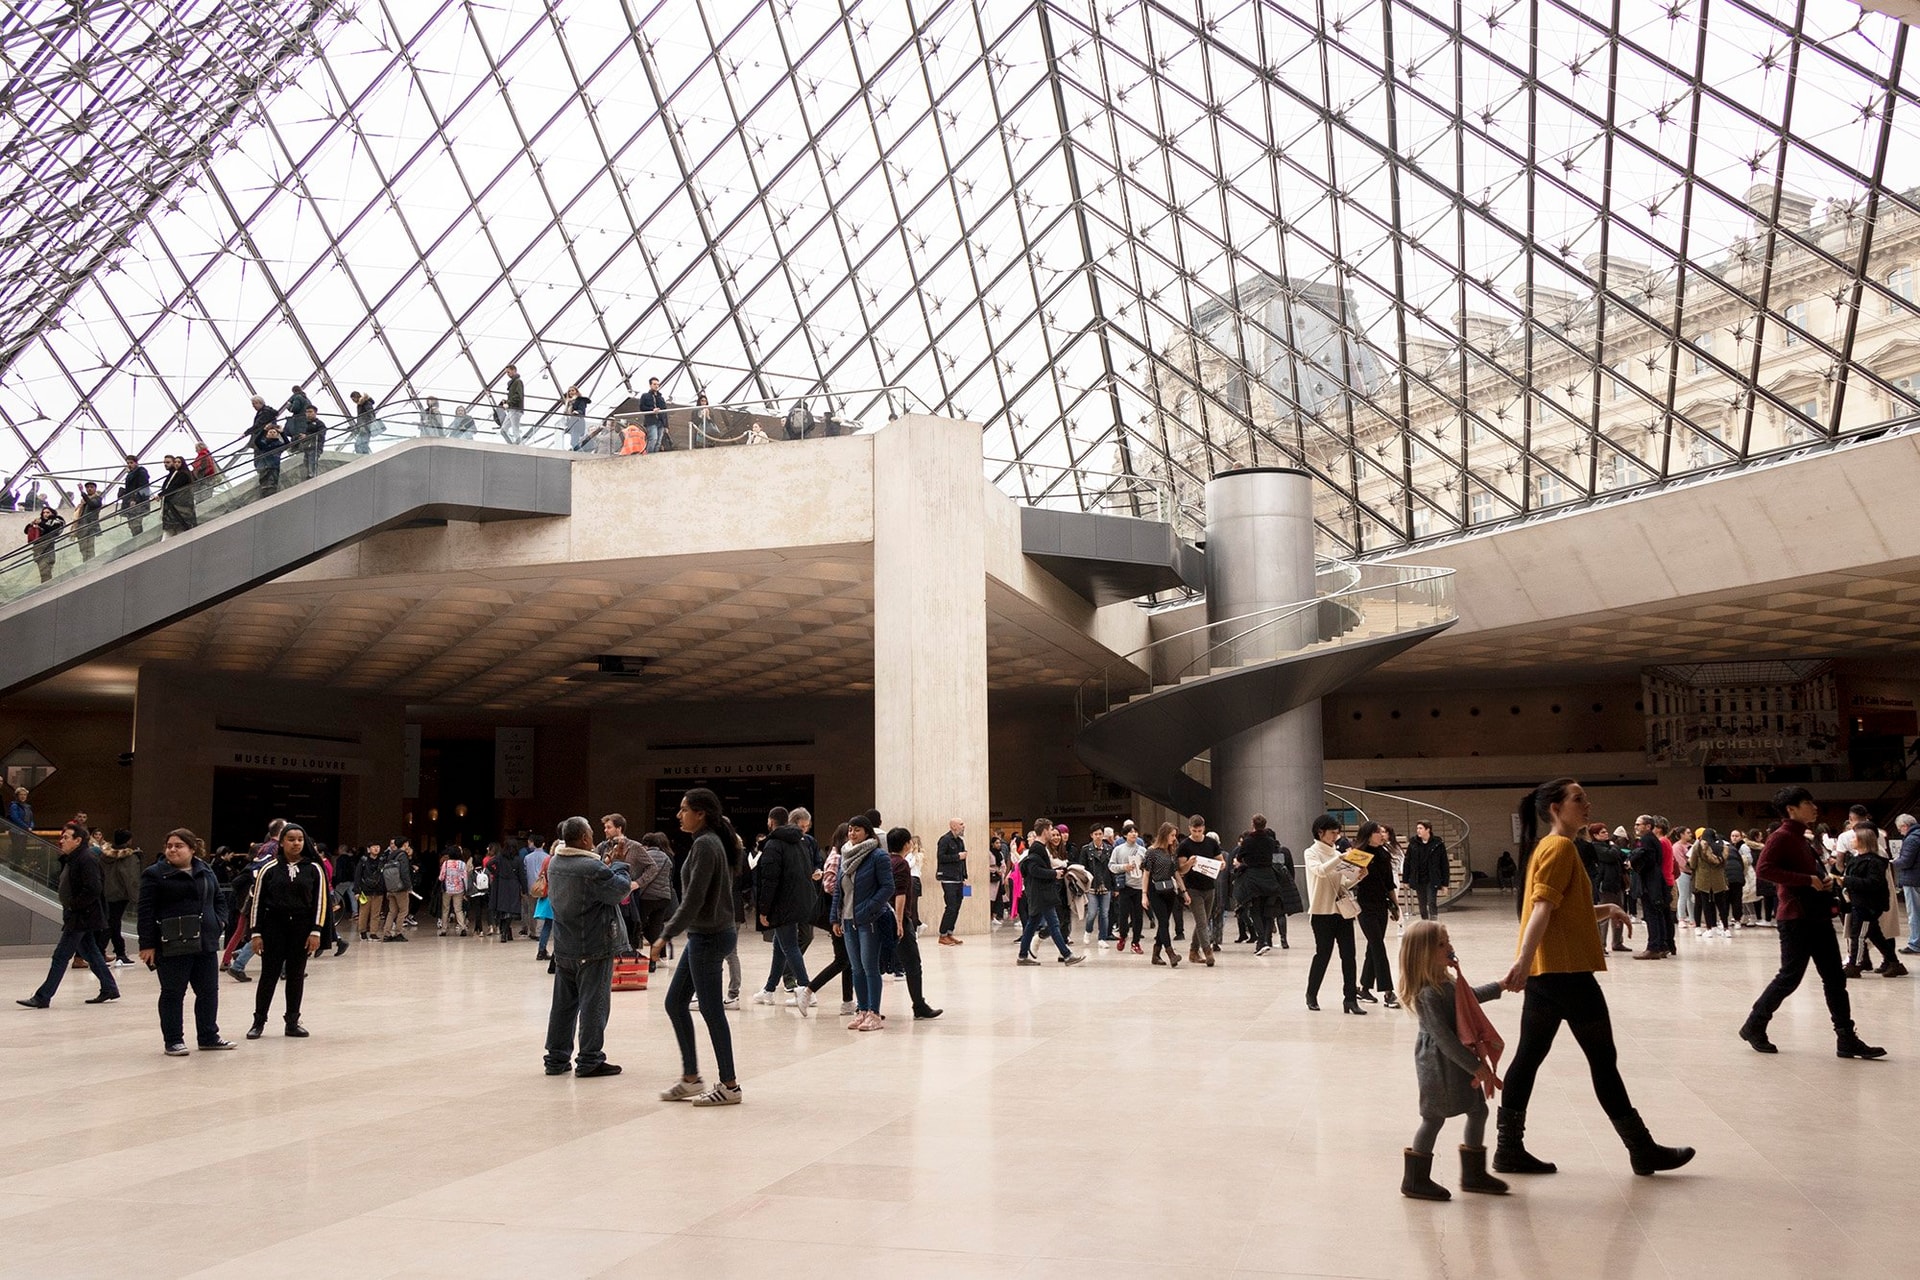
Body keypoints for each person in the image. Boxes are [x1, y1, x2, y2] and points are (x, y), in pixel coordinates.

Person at [1496, 778, 1693, 1177]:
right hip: (1566, 974)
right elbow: (1542, 908)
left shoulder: (1546, 847)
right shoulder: (1561, 846)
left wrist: (1606, 910)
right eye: (1578, 799)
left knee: (1529, 1058)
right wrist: (1522, 959)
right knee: (1603, 1061)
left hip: (1549, 974)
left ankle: (1508, 1149)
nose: (1587, 804)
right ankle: (1642, 1149)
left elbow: (1564, 908)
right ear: (1555, 807)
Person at [1739, 788, 1887, 1061]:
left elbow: (1807, 871)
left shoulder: (1800, 838)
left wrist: (1823, 879)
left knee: (1834, 977)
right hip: (1796, 917)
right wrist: (1806, 880)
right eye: (1808, 803)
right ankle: (1754, 1024)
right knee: (1790, 977)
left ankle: (1846, 1038)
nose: (1814, 807)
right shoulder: (1782, 836)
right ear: (1792, 809)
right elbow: (1765, 870)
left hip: (1816, 915)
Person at [1397, 919, 1506, 1201]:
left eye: (1449, 941)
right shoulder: (1427, 995)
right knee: (1433, 1118)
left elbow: (1468, 999)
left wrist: (1500, 986)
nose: (1450, 947)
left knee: (1477, 1110)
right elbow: (1444, 1040)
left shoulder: (1446, 981)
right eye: (1441, 944)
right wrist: (1476, 1067)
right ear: (1423, 954)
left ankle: (1473, 1175)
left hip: (1457, 1059)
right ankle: (1415, 1180)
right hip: (1438, 1064)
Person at [651, 788, 744, 1105]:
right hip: (704, 934)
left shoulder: (706, 845)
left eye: (684, 809)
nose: (678, 815)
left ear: (701, 813)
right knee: (675, 1003)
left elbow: (694, 900)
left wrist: (665, 934)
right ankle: (691, 1078)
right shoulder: (706, 842)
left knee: (711, 1009)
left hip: (710, 935)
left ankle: (729, 1086)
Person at [541, 816, 631, 1077]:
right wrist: (621, 864)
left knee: (563, 1005)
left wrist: (607, 865)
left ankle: (556, 1059)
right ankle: (590, 1059)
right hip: (592, 945)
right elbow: (619, 891)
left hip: (564, 945)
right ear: (584, 838)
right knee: (594, 1004)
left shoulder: (557, 862)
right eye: (591, 832)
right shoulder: (589, 868)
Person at [137, 829, 235, 1056]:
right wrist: (147, 944)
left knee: (209, 991)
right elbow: (145, 911)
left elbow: (219, 899)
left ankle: (209, 1036)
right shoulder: (155, 874)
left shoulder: (205, 869)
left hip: (205, 941)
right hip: (172, 943)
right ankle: (173, 1040)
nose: (172, 849)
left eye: (178, 845)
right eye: (169, 845)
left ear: (192, 849)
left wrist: (220, 921)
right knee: (173, 992)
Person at [17, 823, 121, 1008]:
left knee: (60, 956)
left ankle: (43, 996)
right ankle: (109, 987)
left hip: (81, 916)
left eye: (66, 837)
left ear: (78, 840)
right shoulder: (74, 858)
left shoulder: (85, 858)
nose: (62, 840)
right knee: (91, 952)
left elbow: (93, 888)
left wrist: (74, 906)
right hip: (80, 915)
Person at [245, 823, 327, 1039]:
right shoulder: (269, 869)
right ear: (281, 842)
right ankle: (258, 1021)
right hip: (274, 926)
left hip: (301, 928)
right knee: (269, 976)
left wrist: (316, 931)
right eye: (291, 839)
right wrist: (256, 933)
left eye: (300, 839)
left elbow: (320, 902)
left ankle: (292, 1021)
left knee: (296, 975)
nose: (296, 843)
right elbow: (258, 902)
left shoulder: (314, 869)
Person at [831, 814, 894, 1028]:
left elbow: (888, 887)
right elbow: (839, 892)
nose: (852, 833)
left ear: (867, 832)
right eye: (850, 829)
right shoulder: (845, 856)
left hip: (870, 920)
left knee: (869, 967)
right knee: (856, 968)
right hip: (848, 920)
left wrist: (869, 908)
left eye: (857, 829)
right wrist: (835, 918)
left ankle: (874, 1013)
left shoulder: (878, 856)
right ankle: (862, 1009)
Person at [751, 807, 814, 1013]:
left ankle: (806, 989)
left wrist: (763, 909)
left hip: (782, 904)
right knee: (780, 946)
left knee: (789, 945)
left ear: (770, 821)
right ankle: (769, 989)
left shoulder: (773, 845)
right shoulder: (800, 843)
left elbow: (769, 880)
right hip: (799, 901)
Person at [1304, 813, 1362, 1013]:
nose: (1335, 836)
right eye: (1332, 833)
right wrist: (1340, 858)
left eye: (1337, 833)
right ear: (1320, 833)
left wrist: (1357, 876)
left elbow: (1344, 882)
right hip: (1321, 913)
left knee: (1349, 955)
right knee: (1323, 955)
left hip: (1342, 911)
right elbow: (1319, 871)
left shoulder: (1338, 853)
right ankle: (1311, 993)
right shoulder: (1311, 852)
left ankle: (1351, 999)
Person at [887, 827, 941, 1019]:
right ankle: (919, 1005)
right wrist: (900, 922)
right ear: (906, 844)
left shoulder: (885, 861)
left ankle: (867, 1006)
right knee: (913, 963)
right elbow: (900, 894)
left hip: (883, 917)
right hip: (899, 919)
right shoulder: (901, 864)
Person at [1840, 824, 1906, 979]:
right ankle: (1894, 963)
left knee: (1859, 936)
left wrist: (1848, 881)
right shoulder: (1856, 859)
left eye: (1856, 838)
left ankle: (1855, 965)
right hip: (1859, 902)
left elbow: (1874, 883)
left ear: (1863, 841)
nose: (1853, 840)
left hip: (1868, 904)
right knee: (1875, 935)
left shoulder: (1874, 862)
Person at [1015, 818, 1084, 966]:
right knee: (1054, 924)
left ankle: (1022, 956)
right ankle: (1067, 955)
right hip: (1043, 894)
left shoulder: (1039, 848)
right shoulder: (1038, 848)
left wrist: (1053, 871)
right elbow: (1034, 870)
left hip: (1039, 893)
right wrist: (1054, 874)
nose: (1053, 833)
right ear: (1045, 830)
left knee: (1032, 924)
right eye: (1051, 830)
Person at [1353, 821, 1400, 1007]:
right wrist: (1357, 874)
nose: (1382, 835)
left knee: (1373, 948)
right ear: (1369, 835)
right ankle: (1388, 992)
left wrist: (1395, 907)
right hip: (1365, 907)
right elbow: (1347, 882)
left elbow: (1389, 885)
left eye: (1382, 832)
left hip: (1381, 906)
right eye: (1378, 832)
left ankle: (1364, 988)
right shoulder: (1357, 855)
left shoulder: (1383, 854)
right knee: (1378, 947)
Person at [1175, 815, 1220, 965]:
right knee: (1202, 922)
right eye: (1194, 830)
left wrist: (1221, 865)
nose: (1197, 833)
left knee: (1204, 920)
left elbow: (1221, 860)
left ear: (1204, 829)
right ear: (1189, 829)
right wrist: (1189, 863)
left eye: (1199, 831)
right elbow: (1181, 870)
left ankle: (1193, 951)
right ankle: (1208, 951)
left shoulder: (1211, 843)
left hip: (1209, 887)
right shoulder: (1184, 845)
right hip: (1193, 888)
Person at [1630, 815, 1674, 959]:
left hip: (1649, 881)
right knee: (1657, 913)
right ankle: (1661, 945)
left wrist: (1633, 861)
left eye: (1639, 824)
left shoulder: (1646, 839)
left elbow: (1647, 859)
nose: (1636, 827)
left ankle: (1653, 947)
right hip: (1656, 879)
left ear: (1648, 826)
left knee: (1652, 914)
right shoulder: (1653, 839)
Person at [1143, 822, 1186, 967]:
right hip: (1155, 891)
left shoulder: (1171, 851)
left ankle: (1155, 954)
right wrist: (1144, 894)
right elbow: (1146, 875)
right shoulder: (1151, 852)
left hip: (1169, 891)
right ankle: (1170, 953)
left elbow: (1176, 873)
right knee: (1164, 923)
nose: (1174, 838)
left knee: (1164, 923)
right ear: (1164, 834)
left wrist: (1183, 891)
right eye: (1172, 835)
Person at [99, 829, 142, 966]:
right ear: (128, 840)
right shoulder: (129, 857)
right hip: (120, 895)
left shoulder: (104, 856)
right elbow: (131, 879)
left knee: (112, 923)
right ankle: (104, 952)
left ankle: (118, 953)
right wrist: (136, 898)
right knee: (113, 924)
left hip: (106, 892)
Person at [1586, 824, 1629, 952]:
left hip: (1616, 884)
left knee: (1619, 914)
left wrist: (1614, 847)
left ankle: (1617, 942)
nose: (1606, 834)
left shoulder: (1608, 846)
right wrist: (1614, 846)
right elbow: (1610, 856)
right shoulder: (1595, 847)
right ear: (1595, 835)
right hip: (1605, 885)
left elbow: (1621, 855)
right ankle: (1601, 945)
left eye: (1606, 831)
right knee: (1604, 915)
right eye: (1602, 832)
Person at [1403, 821, 1450, 920]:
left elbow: (1444, 864)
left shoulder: (1438, 844)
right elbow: (1407, 862)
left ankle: (1433, 922)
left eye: (1420, 828)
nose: (1418, 831)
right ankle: (1424, 921)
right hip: (1418, 877)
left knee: (1431, 901)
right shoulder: (1413, 843)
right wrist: (1405, 879)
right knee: (1422, 903)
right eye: (1417, 828)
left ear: (1428, 829)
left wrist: (1445, 884)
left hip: (1432, 877)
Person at [934, 818, 968, 944]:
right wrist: (957, 856)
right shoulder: (945, 840)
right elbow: (941, 857)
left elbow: (963, 862)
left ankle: (949, 933)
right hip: (948, 879)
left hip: (959, 879)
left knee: (957, 906)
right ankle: (942, 935)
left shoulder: (960, 841)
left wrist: (964, 877)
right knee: (951, 907)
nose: (963, 826)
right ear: (953, 826)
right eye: (961, 824)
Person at [374, 838, 412, 942]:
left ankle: (386, 933)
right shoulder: (402, 855)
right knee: (403, 911)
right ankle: (398, 932)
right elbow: (404, 872)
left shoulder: (391, 855)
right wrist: (408, 886)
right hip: (400, 888)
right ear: (405, 844)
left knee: (392, 911)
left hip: (390, 888)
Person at [1894, 814, 1920, 955]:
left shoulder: (1911, 839)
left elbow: (1906, 861)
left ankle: (1915, 943)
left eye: (1900, 829)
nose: (1900, 832)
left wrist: (1894, 862)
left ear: (1905, 826)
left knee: (1914, 912)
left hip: (1913, 879)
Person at [248, 395, 284, 493]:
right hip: (264, 440)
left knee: (262, 461)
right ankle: (267, 483)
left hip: (263, 440)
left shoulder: (265, 413)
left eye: (254, 404)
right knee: (263, 462)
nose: (253, 406)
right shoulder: (266, 412)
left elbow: (258, 425)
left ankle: (268, 484)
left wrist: (247, 432)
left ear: (259, 403)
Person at [159, 455, 196, 535]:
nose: (176, 464)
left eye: (178, 462)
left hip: (178, 508)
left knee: (176, 531)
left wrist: (161, 495)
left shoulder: (182, 475)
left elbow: (174, 487)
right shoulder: (178, 474)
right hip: (178, 508)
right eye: (175, 462)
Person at [437, 846, 470, 936]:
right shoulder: (462, 864)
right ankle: (462, 927)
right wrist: (466, 890)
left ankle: (444, 929)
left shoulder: (446, 863)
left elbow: (441, 877)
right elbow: (465, 878)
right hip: (459, 889)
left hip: (447, 889)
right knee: (458, 909)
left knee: (445, 909)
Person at [28, 503, 64, 582]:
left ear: (52, 513)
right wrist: (31, 524)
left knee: (46, 573)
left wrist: (40, 523)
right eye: (44, 512)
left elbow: (52, 530)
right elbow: (26, 531)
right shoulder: (40, 522)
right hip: (38, 551)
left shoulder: (56, 522)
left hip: (47, 550)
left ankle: (47, 590)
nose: (45, 514)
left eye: (48, 512)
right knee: (43, 573)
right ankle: (46, 589)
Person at [119, 455, 151, 536]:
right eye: (128, 463)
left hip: (137, 503)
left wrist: (135, 499)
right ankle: (137, 540)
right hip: (132, 502)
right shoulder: (132, 474)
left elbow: (143, 487)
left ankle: (138, 541)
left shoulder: (141, 472)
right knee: (132, 525)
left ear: (136, 463)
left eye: (131, 463)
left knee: (136, 524)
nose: (129, 465)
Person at [638, 376, 669, 453]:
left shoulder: (661, 398)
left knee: (658, 441)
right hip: (651, 421)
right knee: (653, 439)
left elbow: (665, 412)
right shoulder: (645, 396)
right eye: (654, 384)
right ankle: (649, 456)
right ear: (650, 385)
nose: (656, 386)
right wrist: (652, 410)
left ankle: (654, 456)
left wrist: (666, 425)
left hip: (660, 422)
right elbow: (642, 407)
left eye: (658, 384)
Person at [73, 482, 103, 560]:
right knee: (83, 549)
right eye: (87, 487)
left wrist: (82, 492)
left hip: (90, 527)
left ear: (95, 489)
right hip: (81, 528)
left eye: (91, 487)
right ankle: (86, 564)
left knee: (89, 549)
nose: (89, 489)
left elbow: (92, 504)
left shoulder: (97, 499)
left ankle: (90, 565)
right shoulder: (83, 502)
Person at [561, 386, 589, 450]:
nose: (571, 392)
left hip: (577, 422)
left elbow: (582, 410)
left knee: (573, 442)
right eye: (569, 391)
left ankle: (581, 454)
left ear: (576, 391)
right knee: (573, 442)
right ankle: (579, 453)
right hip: (571, 424)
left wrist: (577, 412)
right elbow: (566, 414)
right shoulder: (569, 403)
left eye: (572, 390)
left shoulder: (580, 400)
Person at [502, 365, 525, 443]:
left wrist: (508, 403)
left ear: (514, 370)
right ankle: (513, 445)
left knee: (514, 430)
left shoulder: (517, 382)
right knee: (504, 430)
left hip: (515, 409)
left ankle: (516, 445)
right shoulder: (515, 382)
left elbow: (518, 396)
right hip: (513, 409)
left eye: (508, 372)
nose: (507, 374)